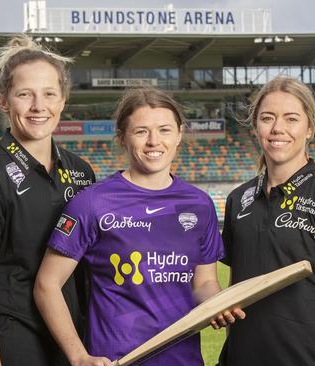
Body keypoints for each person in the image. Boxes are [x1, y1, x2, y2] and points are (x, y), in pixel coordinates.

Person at [34, 87, 244, 366]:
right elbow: (46, 284)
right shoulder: (92, 203)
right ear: (122, 137)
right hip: (118, 360)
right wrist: (79, 356)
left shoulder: (199, 204)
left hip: (184, 360)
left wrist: (218, 305)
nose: (154, 141)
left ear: (179, 134)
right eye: (141, 131)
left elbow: (204, 283)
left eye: (165, 130)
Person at [0, 35, 95, 366]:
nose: (38, 106)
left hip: (67, 347)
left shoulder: (81, 172)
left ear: (63, 100)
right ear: (4, 101)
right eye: (24, 94)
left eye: (48, 94)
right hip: (8, 348)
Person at [218, 76, 315, 365]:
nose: (277, 129)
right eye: (267, 118)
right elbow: (237, 288)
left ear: (309, 128)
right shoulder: (238, 199)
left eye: (291, 119)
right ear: (256, 126)